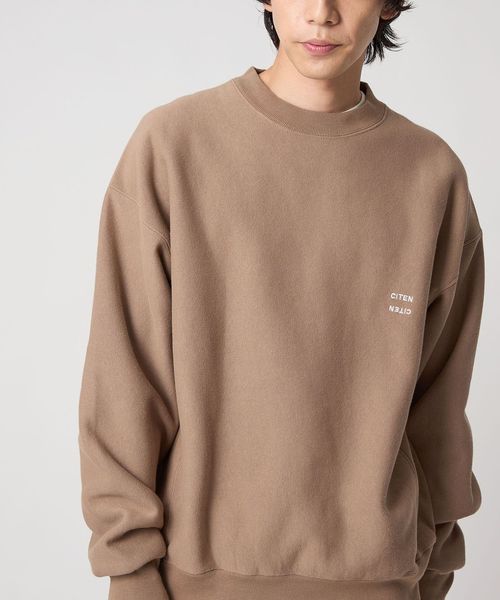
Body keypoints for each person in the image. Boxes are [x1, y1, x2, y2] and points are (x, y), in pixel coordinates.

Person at [78, 2, 485, 599]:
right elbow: (125, 378)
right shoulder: (173, 146)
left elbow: (440, 399)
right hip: (196, 582)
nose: (321, 13)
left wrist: (435, 562)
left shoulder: (432, 174)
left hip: (381, 581)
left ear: (390, 4)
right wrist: (129, 569)